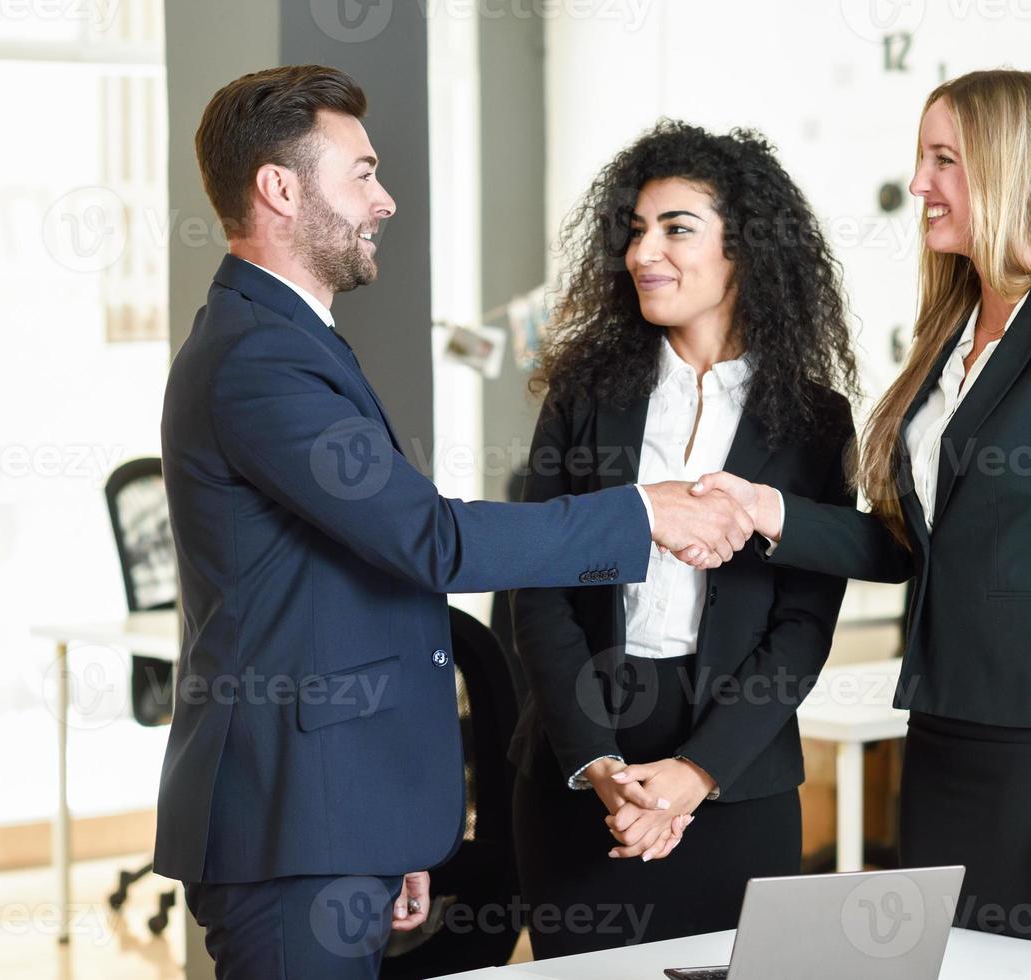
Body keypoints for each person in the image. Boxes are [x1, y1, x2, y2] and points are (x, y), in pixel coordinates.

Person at [155, 65, 753, 980]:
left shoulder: (288, 339)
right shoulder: (260, 360)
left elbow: (350, 587)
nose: (384, 199)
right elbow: (431, 541)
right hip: (290, 832)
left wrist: (389, 830)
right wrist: (643, 514)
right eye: (361, 173)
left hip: (330, 820)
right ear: (279, 188)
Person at [696, 69, 1031, 952]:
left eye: (943, 160)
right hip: (941, 728)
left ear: (1012, 165)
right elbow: (910, 546)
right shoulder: (950, 339)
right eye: (922, 160)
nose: (919, 185)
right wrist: (769, 509)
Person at [507, 120, 860, 958]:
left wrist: (695, 774)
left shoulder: (815, 421)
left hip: (735, 773)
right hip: (583, 756)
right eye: (634, 230)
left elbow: (803, 627)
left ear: (746, 251)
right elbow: (537, 585)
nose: (643, 253)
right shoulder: (582, 394)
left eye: (676, 229)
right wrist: (598, 764)